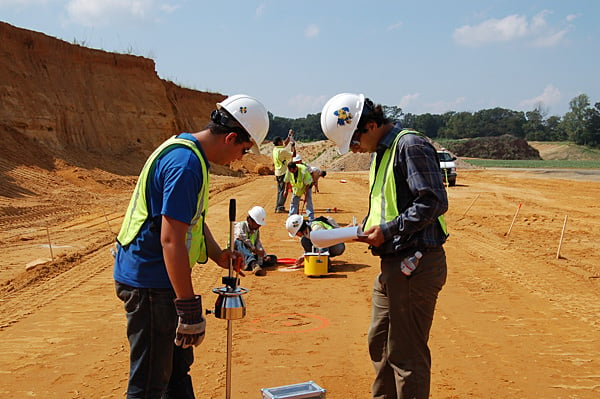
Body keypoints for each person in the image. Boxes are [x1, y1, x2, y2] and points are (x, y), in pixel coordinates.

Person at [113, 94, 269, 398]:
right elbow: (170, 239)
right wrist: (188, 309)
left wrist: (218, 255)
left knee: (176, 373)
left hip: (160, 280)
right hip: (149, 284)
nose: (241, 158)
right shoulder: (185, 165)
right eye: (244, 149)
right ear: (231, 137)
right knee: (149, 385)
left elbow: (190, 220)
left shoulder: (189, 153)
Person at [321, 93, 449, 399]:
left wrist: (388, 231)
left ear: (372, 124)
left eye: (353, 141)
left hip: (416, 263)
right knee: (379, 342)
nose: (354, 149)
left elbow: (433, 201)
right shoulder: (383, 152)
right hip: (392, 263)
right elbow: (388, 204)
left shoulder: (410, 145)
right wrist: (365, 228)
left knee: (406, 355)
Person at [233, 206, 276, 276]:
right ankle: (253, 264)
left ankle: (249, 263)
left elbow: (258, 243)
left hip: (247, 256)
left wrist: (264, 256)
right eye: (257, 223)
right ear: (249, 220)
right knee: (239, 242)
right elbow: (241, 238)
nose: (259, 226)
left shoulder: (256, 230)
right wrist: (255, 250)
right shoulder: (240, 226)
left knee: (273, 258)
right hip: (234, 254)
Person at [272, 129, 296, 213]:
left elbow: (284, 144)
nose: (282, 142)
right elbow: (294, 154)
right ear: (279, 142)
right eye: (281, 141)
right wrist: (293, 145)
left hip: (278, 173)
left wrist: (289, 136)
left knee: (280, 190)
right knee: (284, 190)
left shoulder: (275, 150)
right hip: (283, 173)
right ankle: (280, 207)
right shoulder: (282, 151)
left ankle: (278, 206)